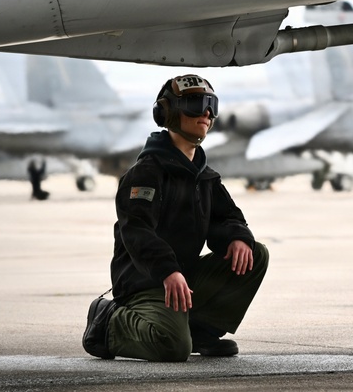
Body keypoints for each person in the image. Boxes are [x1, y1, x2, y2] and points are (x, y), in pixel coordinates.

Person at [82, 74, 269, 362]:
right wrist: (168, 271)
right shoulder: (146, 173)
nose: (205, 113)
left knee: (254, 254)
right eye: (194, 104)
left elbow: (228, 216)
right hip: (145, 281)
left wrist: (236, 237)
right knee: (171, 347)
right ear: (167, 112)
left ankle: (201, 329)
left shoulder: (203, 175)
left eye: (210, 105)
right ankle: (109, 322)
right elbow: (137, 232)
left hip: (183, 275)